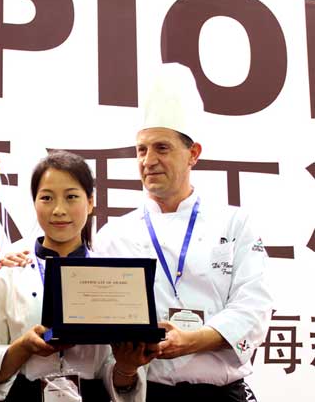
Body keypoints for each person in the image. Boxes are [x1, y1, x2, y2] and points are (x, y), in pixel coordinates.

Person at [94, 63, 272, 401]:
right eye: (141, 150)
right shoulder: (112, 235)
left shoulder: (233, 223)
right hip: (149, 394)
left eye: (162, 148)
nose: (148, 160)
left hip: (221, 393)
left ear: (193, 155)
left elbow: (255, 305)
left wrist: (195, 339)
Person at [0, 151, 160, 402]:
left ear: (90, 202)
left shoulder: (113, 277)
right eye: (46, 198)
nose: (59, 210)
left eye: (71, 197)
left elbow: (121, 380)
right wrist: (24, 347)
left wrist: (127, 366)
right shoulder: (8, 276)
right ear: (34, 203)